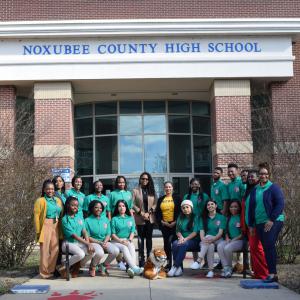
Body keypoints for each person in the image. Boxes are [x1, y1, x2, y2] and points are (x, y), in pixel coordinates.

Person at [248, 162, 285, 283]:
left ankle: (273, 274)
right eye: (261, 174)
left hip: (273, 221)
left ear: (268, 175)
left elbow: (280, 204)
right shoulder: (255, 189)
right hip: (259, 223)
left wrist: (271, 219)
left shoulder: (274, 188)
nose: (263, 175)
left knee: (269, 245)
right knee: (266, 247)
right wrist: (251, 225)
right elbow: (251, 207)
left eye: (265, 174)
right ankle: (271, 273)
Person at [60, 196, 103, 278]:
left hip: (79, 242)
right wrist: (87, 243)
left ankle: (76, 267)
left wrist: (88, 243)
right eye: (73, 205)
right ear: (68, 205)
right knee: (81, 254)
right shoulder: (65, 219)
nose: (75, 207)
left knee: (92, 251)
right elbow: (74, 235)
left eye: (77, 205)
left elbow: (84, 231)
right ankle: (63, 265)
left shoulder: (79, 217)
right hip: (69, 243)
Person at [33, 179, 64, 279]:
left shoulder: (58, 200)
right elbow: (36, 217)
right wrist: (38, 231)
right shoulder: (40, 200)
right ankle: (44, 273)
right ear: (44, 190)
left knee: (56, 249)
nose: (50, 191)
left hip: (56, 225)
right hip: (46, 224)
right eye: (48, 189)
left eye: (52, 189)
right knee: (45, 250)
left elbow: (61, 213)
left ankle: (50, 271)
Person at [241, 169, 268, 279]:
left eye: (253, 176)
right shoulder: (248, 190)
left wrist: (252, 224)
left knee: (258, 249)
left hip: (255, 224)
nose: (250, 178)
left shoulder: (258, 190)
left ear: (258, 178)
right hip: (248, 224)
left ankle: (264, 274)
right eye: (249, 177)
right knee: (253, 249)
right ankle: (257, 273)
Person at [84, 200, 119, 276]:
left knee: (115, 250)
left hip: (104, 241)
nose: (98, 209)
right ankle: (93, 266)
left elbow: (108, 233)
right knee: (100, 253)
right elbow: (88, 237)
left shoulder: (106, 219)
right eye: (96, 207)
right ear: (92, 208)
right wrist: (99, 243)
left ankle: (103, 266)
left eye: (100, 208)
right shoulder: (87, 220)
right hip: (94, 242)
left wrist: (105, 242)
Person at [111, 200, 144, 278]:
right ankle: (134, 267)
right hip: (116, 241)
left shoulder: (130, 218)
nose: (121, 208)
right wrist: (121, 241)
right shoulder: (114, 219)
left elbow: (132, 231)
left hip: (127, 240)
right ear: (117, 208)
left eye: (123, 206)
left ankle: (131, 268)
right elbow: (113, 234)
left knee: (131, 245)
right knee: (125, 247)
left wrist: (129, 240)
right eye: (119, 206)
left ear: (126, 207)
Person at [168, 200, 200, 277]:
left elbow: (195, 232)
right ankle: (179, 268)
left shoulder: (196, 217)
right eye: (183, 208)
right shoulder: (180, 217)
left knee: (183, 244)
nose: (185, 209)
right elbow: (177, 230)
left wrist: (185, 239)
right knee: (175, 244)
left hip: (194, 240)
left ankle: (175, 266)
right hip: (183, 239)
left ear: (191, 208)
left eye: (187, 207)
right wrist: (181, 237)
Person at [183, 178, 209, 270]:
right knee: (193, 238)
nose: (194, 186)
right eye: (193, 184)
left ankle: (205, 262)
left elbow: (208, 207)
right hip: (191, 220)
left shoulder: (204, 196)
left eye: (196, 184)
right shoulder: (187, 196)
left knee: (203, 239)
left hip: (202, 220)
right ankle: (195, 262)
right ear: (190, 185)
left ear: (199, 185)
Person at [132, 172, 157, 267]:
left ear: (149, 180)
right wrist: (141, 213)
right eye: (143, 178)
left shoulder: (152, 191)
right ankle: (141, 262)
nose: (144, 180)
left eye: (146, 179)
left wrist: (148, 212)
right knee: (140, 240)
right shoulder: (135, 191)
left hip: (149, 219)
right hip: (140, 218)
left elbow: (155, 203)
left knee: (149, 240)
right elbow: (132, 204)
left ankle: (149, 260)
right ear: (140, 179)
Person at [155, 181, 182, 270]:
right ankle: (169, 264)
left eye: (170, 187)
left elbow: (180, 212)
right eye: (166, 187)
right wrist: (162, 222)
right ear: (164, 188)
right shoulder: (161, 199)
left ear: (172, 188)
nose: (168, 189)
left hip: (175, 225)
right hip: (165, 225)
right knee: (166, 245)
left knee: (175, 244)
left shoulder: (177, 198)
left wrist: (175, 222)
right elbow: (157, 213)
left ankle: (177, 264)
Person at [198, 200, 226, 278]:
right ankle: (211, 271)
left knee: (209, 238)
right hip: (207, 241)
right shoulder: (203, 218)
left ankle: (199, 260)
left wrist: (212, 239)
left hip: (218, 239)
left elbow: (220, 233)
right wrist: (203, 240)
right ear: (206, 207)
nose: (210, 206)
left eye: (212, 204)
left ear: (216, 206)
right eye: (208, 205)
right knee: (210, 245)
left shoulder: (221, 217)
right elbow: (201, 232)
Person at [217, 200, 243, 278]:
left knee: (227, 248)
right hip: (230, 240)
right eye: (231, 207)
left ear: (239, 208)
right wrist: (227, 238)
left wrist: (234, 240)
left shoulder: (242, 217)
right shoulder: (228, 217)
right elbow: (226, 231)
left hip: (240, 240)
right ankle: (226, 268)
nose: (233, 208)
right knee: (220, 246)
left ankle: (230, 268)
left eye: (235, 207)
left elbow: (243, 234)